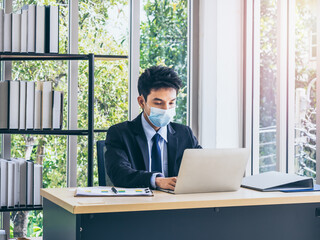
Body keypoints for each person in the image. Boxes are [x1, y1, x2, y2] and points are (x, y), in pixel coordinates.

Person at [105, 66, 201, 190]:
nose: (166, 109)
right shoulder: (120, 133)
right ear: (141, 102)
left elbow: (202, 166)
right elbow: (119, 173)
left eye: (171, 102)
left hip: (177, 204)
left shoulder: (184, 133)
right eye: (158, 103)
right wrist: (156, 181)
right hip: (137, 205)